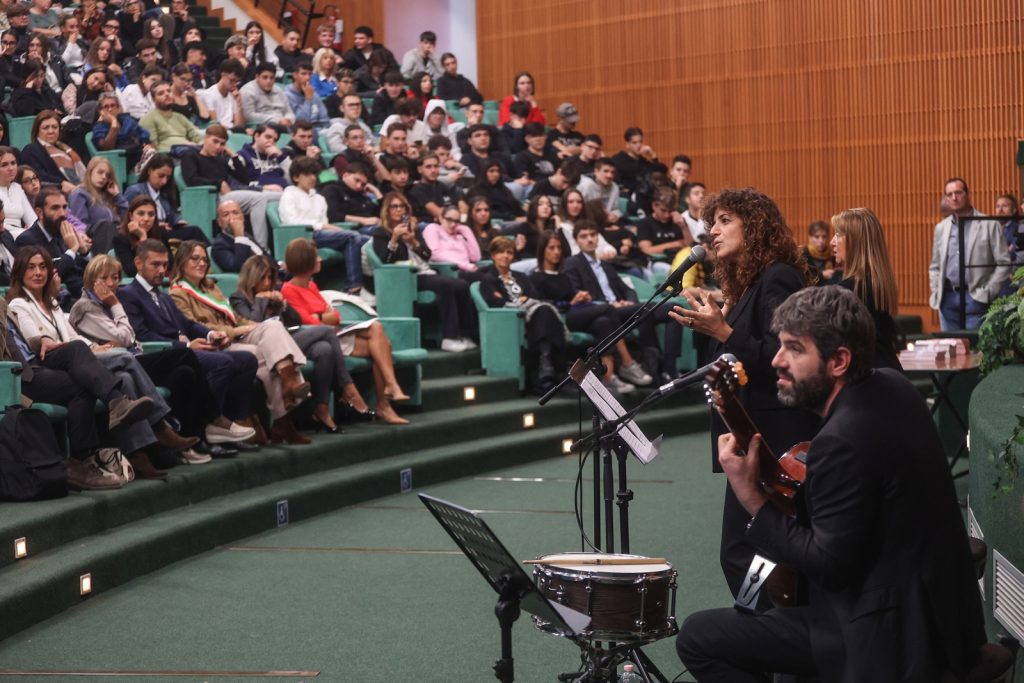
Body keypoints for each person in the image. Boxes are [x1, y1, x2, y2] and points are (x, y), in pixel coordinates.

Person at [676, 285, 987, 683]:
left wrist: (753, 497)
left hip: (883, 636)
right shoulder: (894, 387)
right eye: (780, 345)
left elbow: (829, 566)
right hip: (941, 617)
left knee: (698, 637)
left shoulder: (840, 441)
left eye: (794, 349)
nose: (776, 360)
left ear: (839, 360)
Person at [668, 187, 818, 601]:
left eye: (724, 221)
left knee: (743, 550)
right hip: (754, 432)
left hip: (776, 436)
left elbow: (787, 356)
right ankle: (772, 627)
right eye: (710, 224)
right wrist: (716, 322)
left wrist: (723, 331)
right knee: (745, 549)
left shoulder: (778, 276)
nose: (713, 232)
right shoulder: (752, 282)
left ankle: (776, 629)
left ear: (753, 226)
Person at [6, 246, 181, 480]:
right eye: (31, 267)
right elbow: (34, 338)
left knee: (118, 377)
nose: (38, 272)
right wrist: (58, 343)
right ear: (20, 272)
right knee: (124, 357)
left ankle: (129, 453)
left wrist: (93, 347)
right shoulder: (19, 303)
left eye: (42, 267)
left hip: (71, 360)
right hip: (46, 361)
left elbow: (72, 335)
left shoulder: (52, 303)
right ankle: (150, 418)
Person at [69, 255, 240, 462]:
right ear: (91, 280)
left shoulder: (107, 302)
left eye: (115, 277)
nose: (111, 283)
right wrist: (115, 305)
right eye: (104, 278)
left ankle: (190, 440)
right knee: (184, 354)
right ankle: (206, 419)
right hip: (114, 366)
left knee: (184, 373)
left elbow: (128, 338)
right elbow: (125, 338)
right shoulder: (86, 307)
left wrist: (119, 324)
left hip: (133, 357)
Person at [119, 239, 259, 450]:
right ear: (138, 263)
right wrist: (184, 346)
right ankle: (210, 423)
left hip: (182, 350)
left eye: (165, 265)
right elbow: (142, 335)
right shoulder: (128, 294)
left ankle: (231, 423)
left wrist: (211, 334)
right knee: (223, 362)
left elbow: (187, 324)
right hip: (163, 356)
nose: (162, 270)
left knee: (247, 360)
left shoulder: (163, 296)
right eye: (155, 264)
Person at [169, 240, 313, 443]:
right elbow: (193, 327)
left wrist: (252, 325)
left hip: (235, 334)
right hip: (216, 343)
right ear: (182, 262)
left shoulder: (210, 287)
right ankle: (284, 417)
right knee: (262, 354)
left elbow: (235, 318)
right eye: (195, 259)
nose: (201, 263)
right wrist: (236, 330)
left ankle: (288, 387)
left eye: (204, 259)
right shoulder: (178, 293)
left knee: (273, 326)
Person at [276, 241, 412, 425]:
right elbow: (309, 323)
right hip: (320, 340)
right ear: (305, 260)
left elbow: (336, 316)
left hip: (335, 334)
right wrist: (324, 316)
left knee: (378, 335)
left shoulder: (312, 286)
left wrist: (321, 316)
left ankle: (388, 394)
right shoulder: (289, 290)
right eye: (316, 256)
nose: (320, 259)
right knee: (382, 345)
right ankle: (386, 399)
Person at [530, 231, 648, 392]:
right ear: (542, 250)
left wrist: (581, 298)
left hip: (575, 313)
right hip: (559, 318)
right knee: (608, 309)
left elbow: (571, 297)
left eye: (559, 248)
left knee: (603, 322)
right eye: (551, 248)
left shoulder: (563, 275)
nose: (556, 252)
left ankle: (609, 377)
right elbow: (543, 307)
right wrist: (570, 302)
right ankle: (627, 362)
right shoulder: (536, 277)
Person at [563, 220, 672, 388]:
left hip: (618, 310)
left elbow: (627, 289)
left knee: (672, 311)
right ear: (576, 241)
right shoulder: (572, 263)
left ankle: (668, 369)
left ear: (598, 237)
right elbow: (578, 295)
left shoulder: (606, 265)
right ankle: (643, 366)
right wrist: (611, 304)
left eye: (593, 235)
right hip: (596, 310)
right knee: (642, 311)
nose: (590, 239)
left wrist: (628, 301)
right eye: (584, 236)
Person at [371, 191, 477, 352]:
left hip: (425, 272)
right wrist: (394, 238)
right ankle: (449, 338)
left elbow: (427, 256)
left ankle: (466, 335)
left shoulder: (413, 229)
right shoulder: (381, 233)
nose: (399, 210)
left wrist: (413, 241)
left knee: (462, 285)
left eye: (402, 206)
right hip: (406, 276)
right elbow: (385, 260)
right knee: (446, 284)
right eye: (394, 206)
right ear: (387, 210)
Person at [480, 236, 567, 392]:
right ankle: (552, 369)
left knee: (545, 313)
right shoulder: (488, 279)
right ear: (493, 255)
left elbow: (534, 296)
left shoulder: (521, 276)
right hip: (510, 321)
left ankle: (545, 366)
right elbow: (497, 303)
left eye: (509, 252)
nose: (506, 256)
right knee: (545, 312)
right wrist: (521, 302)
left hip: (533, 316)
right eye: (501, 252)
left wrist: (524, 300)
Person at [928, 177, 1013, 330]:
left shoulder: (989, 224)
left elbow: (1004, 262)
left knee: (974, 345)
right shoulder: (941, 228)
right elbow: (935, 265)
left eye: (958, 193)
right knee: (950, 345)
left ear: (968, 194)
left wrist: (988, 291)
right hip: (947, 298)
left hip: (976, 296)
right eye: (949, 194)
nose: (954, 198)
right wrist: (936, 290)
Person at [180, 124, 280, 251]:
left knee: (281, 196)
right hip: (213, 198)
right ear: (205, 138)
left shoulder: (220, 159)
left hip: (230, 196)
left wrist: (233, 155)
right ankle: (263, 248)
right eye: (215, 141)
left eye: (222, 144)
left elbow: (245, 179)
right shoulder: (191, 156)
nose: (218, 147)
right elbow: (191, 180)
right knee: (259, 199)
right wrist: (219, 183)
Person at [279, 157, 369, 293]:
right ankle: (354, 285)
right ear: (296, 177)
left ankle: (369, 285)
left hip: (322, 235)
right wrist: (320, 226)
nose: (313, 178)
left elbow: (324, 222)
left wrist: (326, 227)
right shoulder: (289, 194)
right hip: (303, 236)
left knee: (367, 239)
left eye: (314, 174)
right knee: (353, 237)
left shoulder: (319, 198)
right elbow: (291, 221)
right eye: (308, 174)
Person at [830, 208, 902, 371]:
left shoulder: (849, 290)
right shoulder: (878, 283)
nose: (832, 242)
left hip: (868, 375)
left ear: (855, 242)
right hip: (887, 370)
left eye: (838, 235)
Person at [15, 187, 92, 299]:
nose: (62, 213)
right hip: (56, 299)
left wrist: (84, 251)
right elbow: (46, 275)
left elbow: (78, 270)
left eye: (64, 207)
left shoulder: (61, 233)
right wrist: (72, 249)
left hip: (81, 293)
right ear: (40, 212)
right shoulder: (26, 240)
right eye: (55, 208)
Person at [122, 153, 206, 245]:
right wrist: (155, 225)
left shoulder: (164, 194)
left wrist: (178, 221)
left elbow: (172, 215)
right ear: (150, 170)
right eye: (161, 176)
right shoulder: (135, 191)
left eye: (168, 177)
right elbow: (125, 216)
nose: (164, 181)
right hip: (150, 233)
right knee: (194, 232)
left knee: (194, 231)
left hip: (165, 232)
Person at [18, 110, 85, 193]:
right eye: (45, 128)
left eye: (55, 127)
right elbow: (37, 175)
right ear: (37, 131)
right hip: (52, 193)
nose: (51, 131)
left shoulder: (66, 149)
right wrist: (61, 183)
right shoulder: (30, 150)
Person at [67, 156, 124, 243]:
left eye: (107, 175)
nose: (104, 177)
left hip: (115, 239)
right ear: (90, 172)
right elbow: (80, 225)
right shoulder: (80, 194)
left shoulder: (108, 196)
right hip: (94, 241)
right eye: (100, 172)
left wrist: (117, 196)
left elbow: (126, 218)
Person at [92, 92, 154, 170]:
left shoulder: (127, 120)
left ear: (118, 108)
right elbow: (106, 148)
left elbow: (143, 134)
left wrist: (147, 144)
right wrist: (114, 125)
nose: (110, 109)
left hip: (140, 155)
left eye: (113, 105)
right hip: (120, 162)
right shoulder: (99, 127)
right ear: (100, 111)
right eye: (106, 107)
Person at [139, 80, 204, 152]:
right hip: (168, 155)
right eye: (161, 93)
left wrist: (201, 146)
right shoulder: (148, 119)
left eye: (169, 91)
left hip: (190, 152)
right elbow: (153, 148)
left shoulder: (180, 117)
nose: (167, 94)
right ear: (154, 99)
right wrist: (184, 146)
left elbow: (198, 137)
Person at [422, 205, 482, 279]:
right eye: (449, 220)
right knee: (485, 277)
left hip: (467, 271)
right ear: (441, 218)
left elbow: (476, 257)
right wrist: (464, 265)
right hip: (449, 272)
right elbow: (435, 254)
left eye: (456, 221)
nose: (453, 224)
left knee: (490, 271)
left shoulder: (460, 236)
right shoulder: (433, 228)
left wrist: (467, 231)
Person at [240, 63, 294, 133]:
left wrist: (288, 119)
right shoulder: (247, 91)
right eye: (265, 77)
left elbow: (289, 111)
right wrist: (277, 120)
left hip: (284, 124)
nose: (269, 81)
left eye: (272, 78)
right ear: (257, 77)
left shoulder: (279, 90)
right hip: (261, 127)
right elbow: (249, 116)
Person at [468, 158, 524, 222]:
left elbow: (516, 206)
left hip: (514, 219)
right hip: (498, 222)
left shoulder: (503, 189)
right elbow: (487, 212)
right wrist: (513, 218)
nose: (496, 174)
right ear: (483, 173)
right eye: (491, 171)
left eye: (498, 171)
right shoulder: (476, 191)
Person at [0, 146, 37, 239]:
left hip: (22, 235)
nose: (11, 168)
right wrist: (24, 232)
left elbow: (32, 219)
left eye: (13, 163)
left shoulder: (17, 188)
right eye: (4, 165)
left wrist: (34, 231)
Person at [199, 57, 245, 130]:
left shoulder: (233, 95)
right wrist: (233, 130)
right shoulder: (209, 95)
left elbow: (240, 126)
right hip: (219, 132)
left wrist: (239, 104)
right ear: (223, 75)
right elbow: (214, 124)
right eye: (232, 80)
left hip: (232, 131)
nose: (234, 84)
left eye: (237, 82)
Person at [284, 61, 329, 135]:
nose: (307, 77)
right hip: (299, 133)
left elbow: (325, 121)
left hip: (318, 131)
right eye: (303, 74)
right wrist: (308, 100)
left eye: (310, 74)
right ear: (295, 75)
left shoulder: (314, 95)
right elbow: (299, 122)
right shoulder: (287, 95)